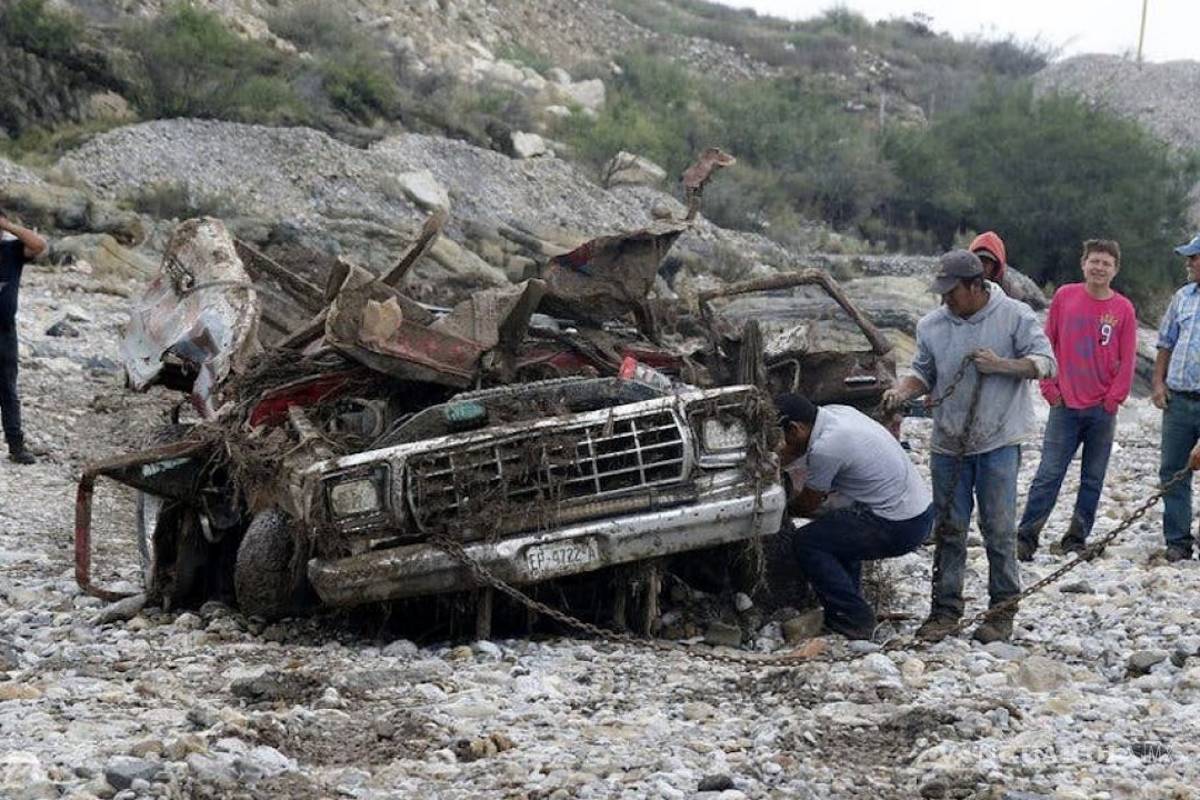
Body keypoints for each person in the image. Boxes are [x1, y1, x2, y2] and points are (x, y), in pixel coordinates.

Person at [882, 250, 1056, 643]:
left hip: (998, 440)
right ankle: (944, 610)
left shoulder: (1014, 315)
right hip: (948, 442)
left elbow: (1046, 362)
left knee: (997, 527)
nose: (946, 299)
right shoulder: (932, 325)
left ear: (977, 286)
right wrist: (901, 391)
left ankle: (1001, 610)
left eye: (953, 292)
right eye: (942, 292)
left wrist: (1003, 366)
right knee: (948, 528)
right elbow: (924, 373)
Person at [774, 393, 933, 640]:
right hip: (918, 511)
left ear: (795, 428)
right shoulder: (837, 412)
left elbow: (807, 505)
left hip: (899, 525)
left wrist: (777, 507)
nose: (781, 447)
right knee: (839, 532)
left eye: (781, 439)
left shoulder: (827, 447)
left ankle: (853, 618)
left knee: (808, 542)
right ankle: (850, 605)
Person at [1016, 240, 1136, 561]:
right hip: (1064, 405)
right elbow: (1046, 343)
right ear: (1083, 264)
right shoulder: (1065, 297)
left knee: (1093, 478)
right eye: (1094, 261)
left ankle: (1076, 537)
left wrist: (1114, 399)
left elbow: (1127, 359)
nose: (1099, 268)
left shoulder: (1123, 309)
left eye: (1106, 263)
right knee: (1048, 474)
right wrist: (1049, 388)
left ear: (1115, 269)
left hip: (1102, 409)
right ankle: (1026, 537)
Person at [1152, 231, 1200, 562]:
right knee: (1173, 471)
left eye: (1193, 257)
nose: (1188, 263)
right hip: (1178, 400)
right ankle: (1178, 541)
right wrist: (1157, 383)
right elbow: (1165, 342)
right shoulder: (1182, 297)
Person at [0, 208, 48, 464]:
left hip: (4, 333)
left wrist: (8, 226)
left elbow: (39, 245)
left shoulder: (11, 251)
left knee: (7, 389)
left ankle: (16, 446)